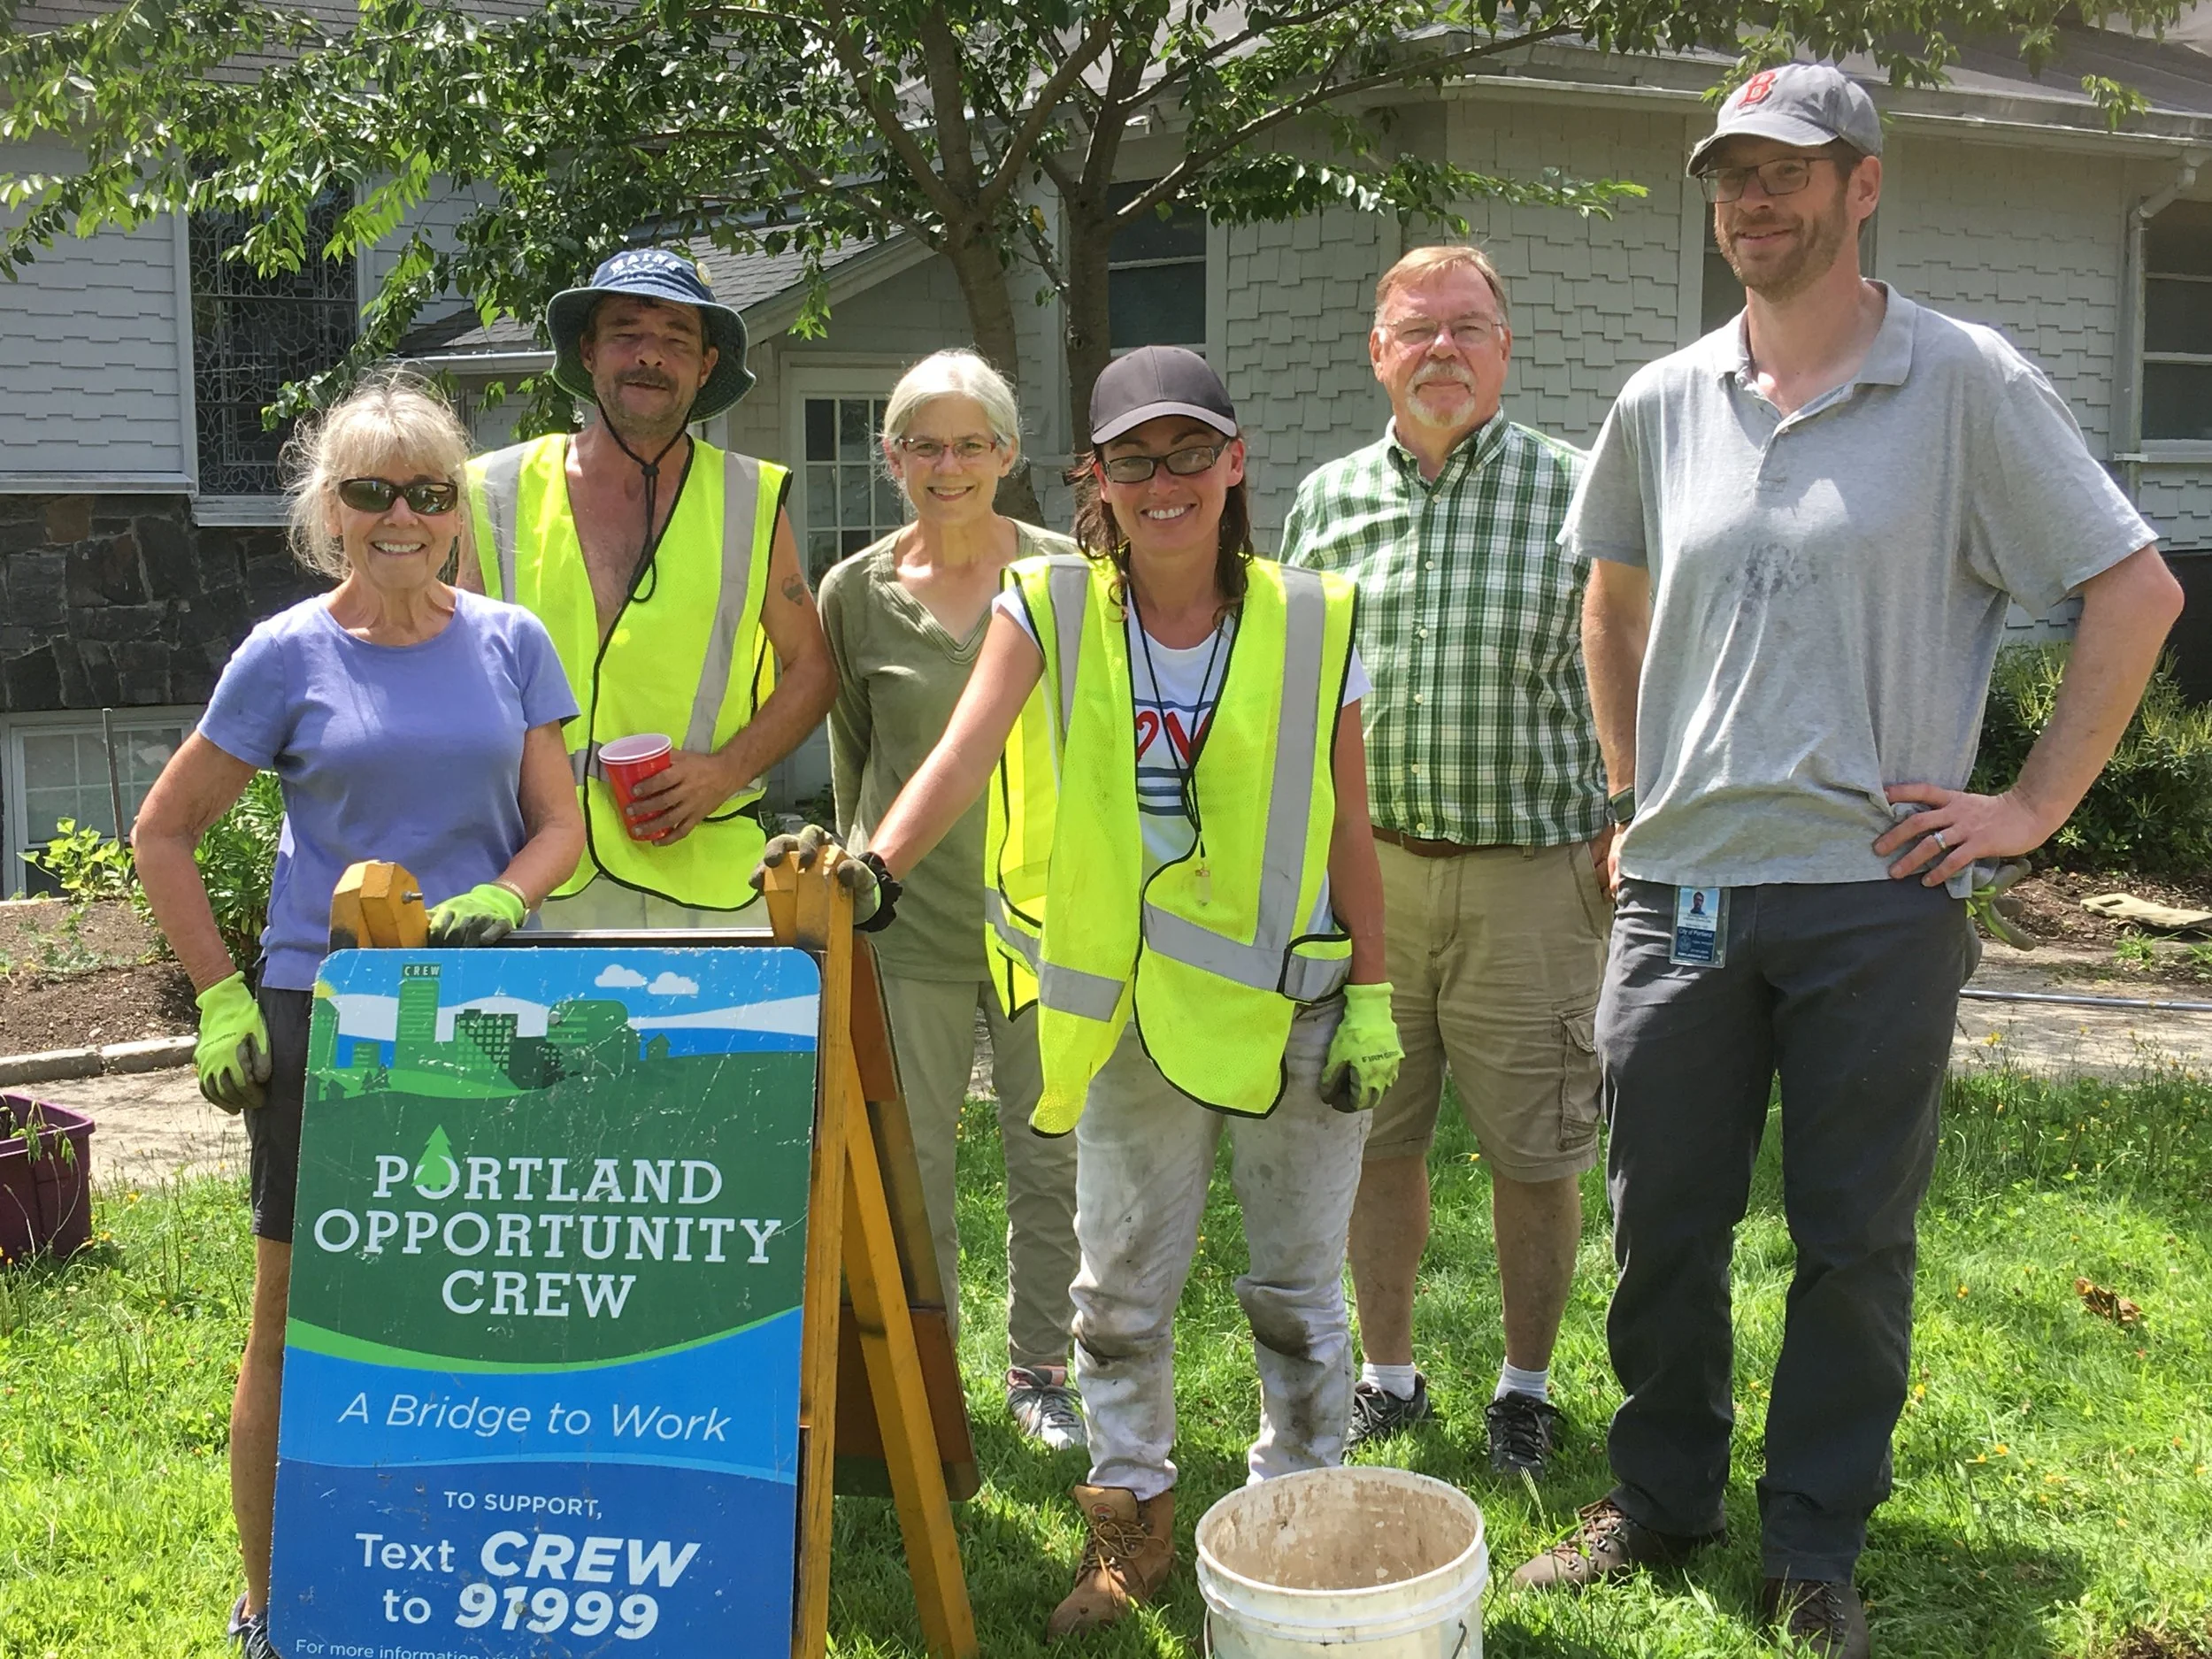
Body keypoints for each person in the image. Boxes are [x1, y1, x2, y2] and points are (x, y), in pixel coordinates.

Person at [1511, 63, 2184, 1659]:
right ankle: (1660, 1497)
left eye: (1787, 172)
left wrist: (2027, 808)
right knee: (1661, 1225)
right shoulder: (1665, 397)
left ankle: (1814, 1540)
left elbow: (2137, 589)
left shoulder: (1963, 381)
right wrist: (1632, 788)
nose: (1753, 201)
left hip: (1875, 897)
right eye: (1731, 175)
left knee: (1852, 1241)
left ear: (1862, 185)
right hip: (1680, 891)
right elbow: (1613, 601)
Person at [757, 346, 1405, 1640]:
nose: (1164, 483)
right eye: (1132, 460)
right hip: (1129, 1016)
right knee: (1115, 1300)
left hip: (1293, 1009)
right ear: (1094, 479)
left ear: (1234, 462)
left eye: (1188, 453)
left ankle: (1296, 1527)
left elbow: (1347, 821)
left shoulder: (1315, 615)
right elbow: (961, 751)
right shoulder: (1046, 605)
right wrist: (879, 862)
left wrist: (1377, 993)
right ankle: (1131, 1525)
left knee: (1296, 1297)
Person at [132, 372, 585, 1659]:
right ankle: (272, 1602)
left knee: (483, 1298)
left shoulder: (512, 641)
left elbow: (562, 824)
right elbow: (164, 832)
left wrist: (507, 889)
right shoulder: (286, 653)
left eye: (429, 493)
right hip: (327, 1011)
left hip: (490, 1005)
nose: (402, 516)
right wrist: (222, 994)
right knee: (295, 1312)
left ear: (456, 511)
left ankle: (461, 1579)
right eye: (372, 491)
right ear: (329, 509)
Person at [1282, 244, 1609, 1479]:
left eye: (1468, 327)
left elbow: (1634, 660)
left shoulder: (1579, 491)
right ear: (1378, 353)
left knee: (1536, 1149)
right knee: (1373, 1136)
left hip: (1532, 876)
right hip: (1367, 879)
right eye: (1416, 330)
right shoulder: (1324, 503)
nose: (1442, 351)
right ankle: (1389, 1375)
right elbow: (1292, 690)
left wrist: (1628, 811)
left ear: (1504, 349)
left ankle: (1525, 1389)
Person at [817, 349, 1085, 1450]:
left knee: (1052, 1155)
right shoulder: (854, 594)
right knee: (908, 1168)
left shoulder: (1070, 578)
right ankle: (923, 1382)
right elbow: (856, 761)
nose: (948, 465)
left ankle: (1042, 1373)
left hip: (1049, 926)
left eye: (971, 443)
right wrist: (858, 894)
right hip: (908, 930)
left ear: (1008, 454)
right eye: (924, 445)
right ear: (892, 458)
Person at [461, 248, 837, 926]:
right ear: (588, 351)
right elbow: (456, 670)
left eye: (675, 340)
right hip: (532, 875)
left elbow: (813, 669)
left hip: (706, 881)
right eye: (626, 333)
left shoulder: (750, 499)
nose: (649, 355)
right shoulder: (498, 489)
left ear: (706, 365)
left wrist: (724, 771)